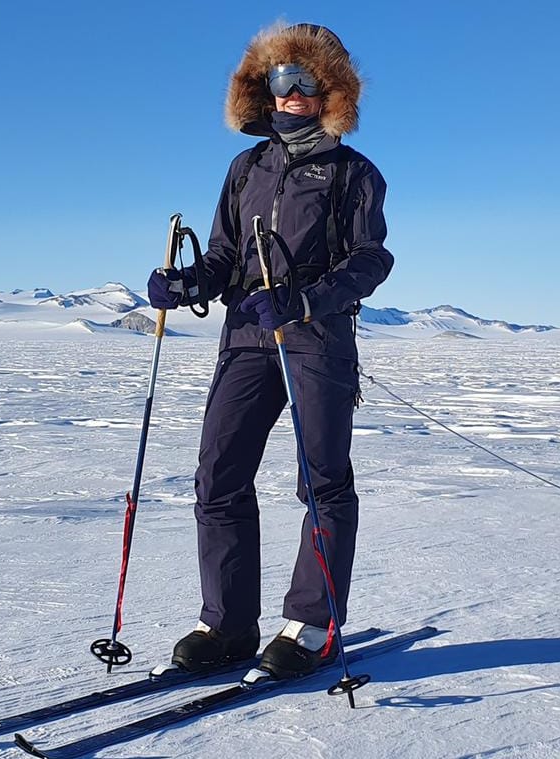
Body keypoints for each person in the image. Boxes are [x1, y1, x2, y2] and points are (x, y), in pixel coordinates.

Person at [146, 22, 393, 679]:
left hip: (317, 341)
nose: (288, 94)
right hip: (247, 337)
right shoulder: (245, 168)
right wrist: (188, 282)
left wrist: (306, 299)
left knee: (322, 481)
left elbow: (372, 260)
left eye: (303, 82)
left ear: (330, 90)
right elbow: (227, 256)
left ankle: (312, 625)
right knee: (219, 475)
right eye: (277, 81)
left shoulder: (353, 175)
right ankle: (226, 624)